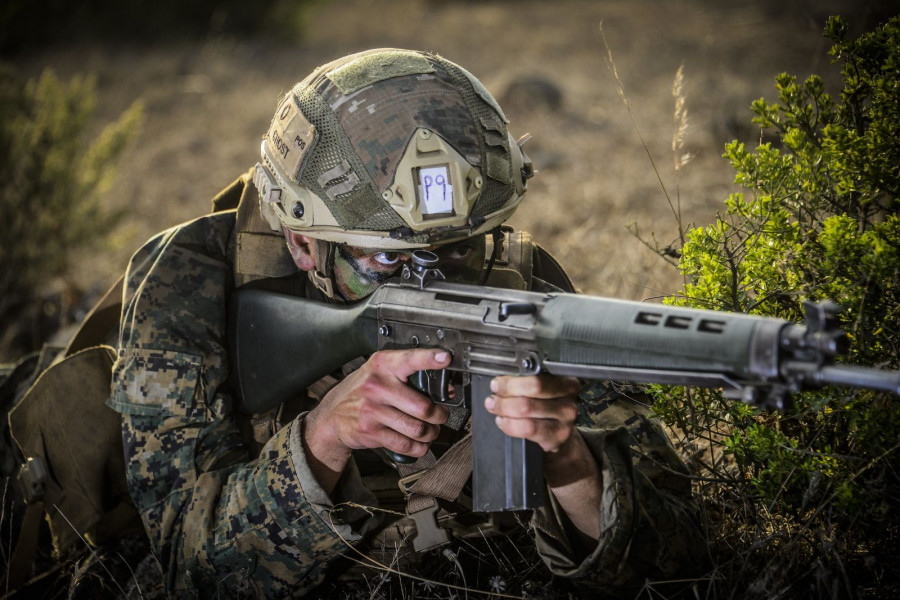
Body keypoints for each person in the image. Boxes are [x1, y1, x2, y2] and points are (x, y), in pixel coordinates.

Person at [107, 48, 708, 598]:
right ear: (300, 242)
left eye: (456, 251)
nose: (432, 283)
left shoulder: (508, 285)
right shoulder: (190, 284)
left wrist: (571, 465)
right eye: (387, 259)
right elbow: (191, 572)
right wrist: (323, 437)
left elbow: (679, 563)